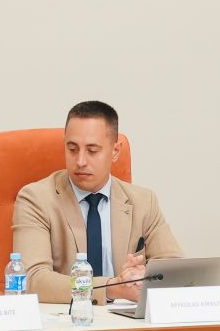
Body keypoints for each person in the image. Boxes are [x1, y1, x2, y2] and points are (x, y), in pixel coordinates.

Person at [10, 100, 185, 305]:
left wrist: (143, 276)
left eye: (92, 151)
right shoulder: (35, 199)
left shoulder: (144, 202)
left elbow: (174, 269)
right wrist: (110, 288)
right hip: (65, 318)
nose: (80, 161)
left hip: (125, 320)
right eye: (72, 149)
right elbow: (32, 279)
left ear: (115, 151)